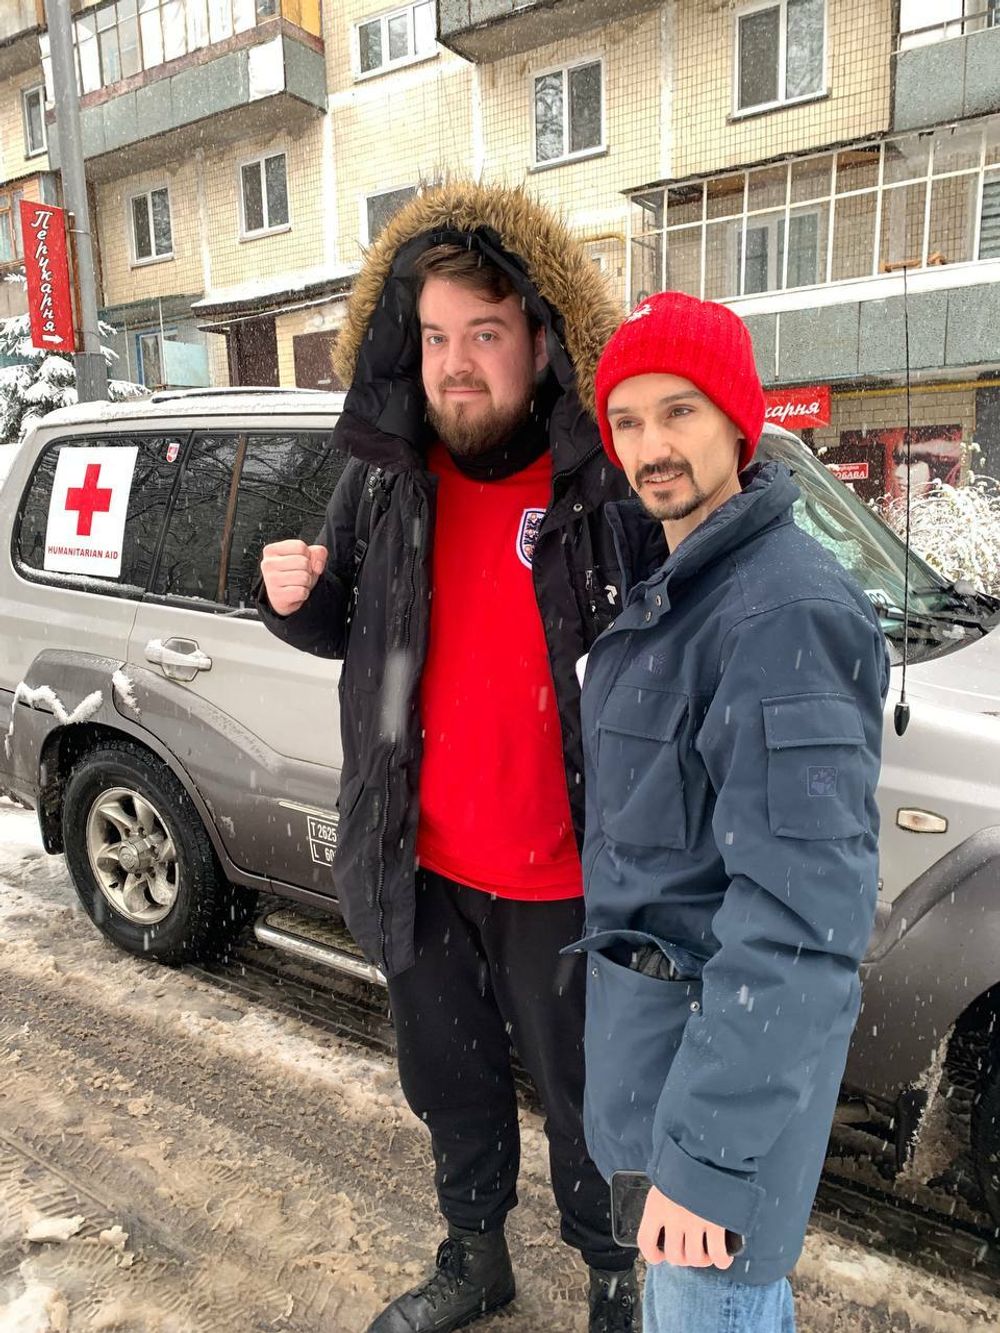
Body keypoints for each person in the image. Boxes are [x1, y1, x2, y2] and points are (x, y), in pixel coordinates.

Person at [257, 182, 642, 1333]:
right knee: (450, 1084)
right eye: (433, 337)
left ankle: (615, 1277)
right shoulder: (386, 477)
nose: (456, 365)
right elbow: (351, 621)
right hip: (420, 865)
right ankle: (476, 1256)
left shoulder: (600, 487)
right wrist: (292, 599)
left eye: (483, 333)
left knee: (593, 1104)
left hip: (570, 881)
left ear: (541, 337)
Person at [574, 291, 889, 1332]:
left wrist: (706, 1161)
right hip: (667, 1074)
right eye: (627, 420)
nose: (650, 446)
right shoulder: (680, 585)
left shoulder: (781, 613)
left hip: (713, 1116)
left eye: (680, 412)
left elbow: (801, 922)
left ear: (738, 423)